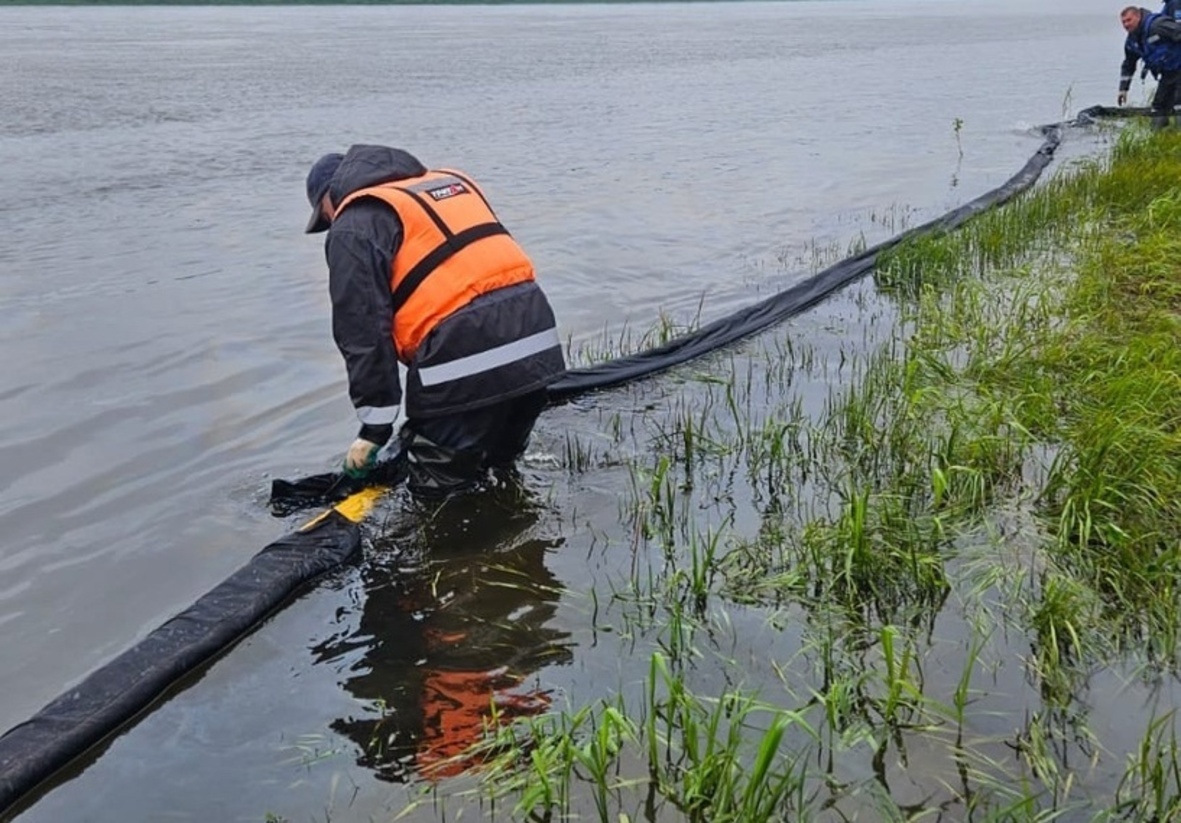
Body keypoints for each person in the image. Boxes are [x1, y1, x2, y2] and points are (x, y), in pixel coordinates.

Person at [304, 145, 567, 497]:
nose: (330, 224)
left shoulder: (353, 225)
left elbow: (362, 333)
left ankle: (468, 529)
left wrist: (373, 431)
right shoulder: (449, 184)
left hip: (462, 359)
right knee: (499, 470)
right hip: (537, 347)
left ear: (330, 196)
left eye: (324, 217)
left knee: (438, 494)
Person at [1119, 5, 1181, 127]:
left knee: (1179, 104)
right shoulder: (1132, 41)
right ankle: (1159, 135)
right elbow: (1129, 64)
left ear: (1138, 17)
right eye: (1123, 22)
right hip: (1167, 74)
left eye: (1129, 20)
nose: (1126, 25)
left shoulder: (1157, 25)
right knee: (1158, 107)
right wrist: (1123, 89)